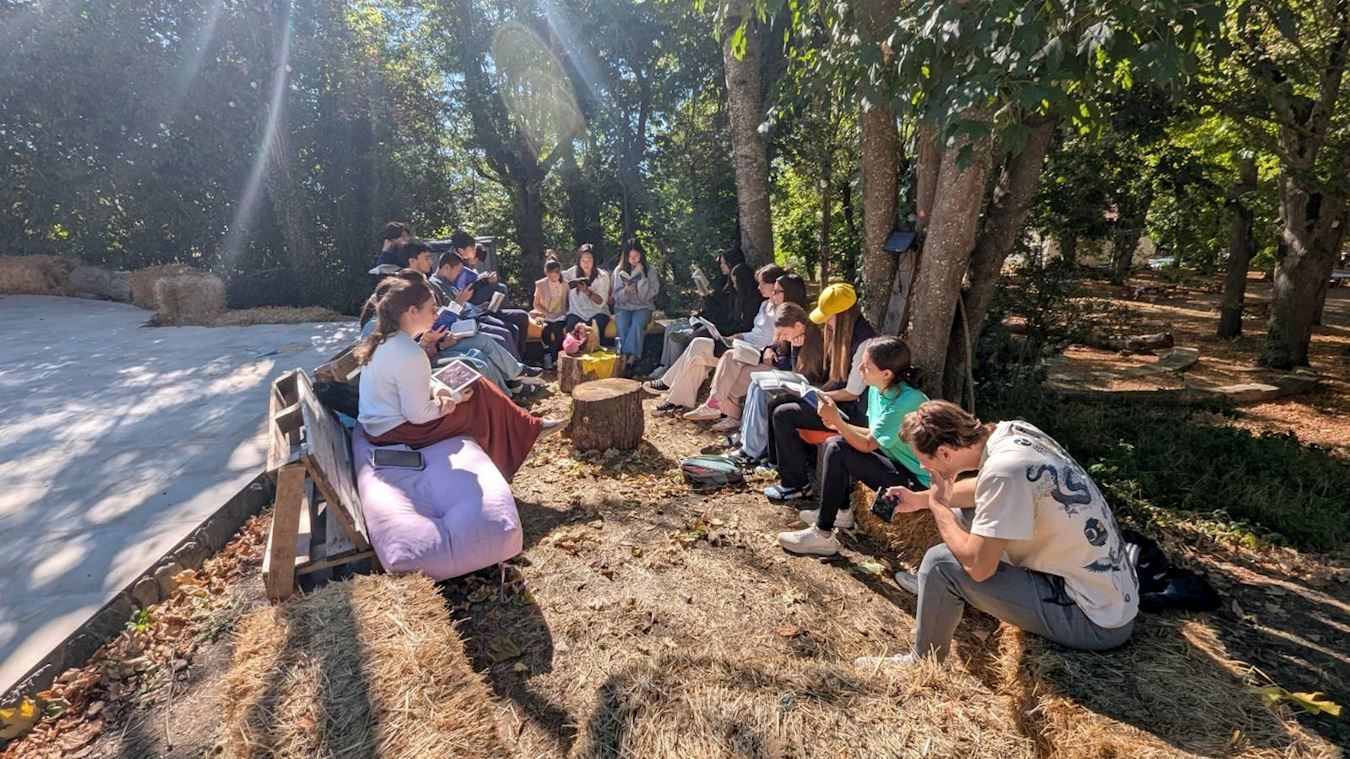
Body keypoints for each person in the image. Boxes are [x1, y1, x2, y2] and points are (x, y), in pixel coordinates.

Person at [854, 401, 1138, 669]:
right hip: (1110, 595)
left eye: (923, 460)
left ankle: (923, 661)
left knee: (940, 565)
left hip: (1093, 619)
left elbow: (979, 568)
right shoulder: (1012, 434)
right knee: (964, 514)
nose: (923, 468)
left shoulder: (1003, 473)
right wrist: (921, 499)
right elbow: (985, 488)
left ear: (944, 452)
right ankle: (946, 601)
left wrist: (939, 506)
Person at [354, 272, 565, 480]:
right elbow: (417, 415)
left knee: (472, 380)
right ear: (412, 312)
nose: (437, 313)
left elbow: (415, 383)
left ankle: (525, 430)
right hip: (396, 432)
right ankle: (514, 446)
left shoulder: (388, 340)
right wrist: (454, 398)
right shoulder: (408, 352)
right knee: (476, 403)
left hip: (383, 426)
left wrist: (440, 389)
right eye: (432, 309)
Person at [775, 337, 931, 555]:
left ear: (887, 373)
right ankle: (841, 512)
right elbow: (873, 434)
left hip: (919, 483)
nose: (859, 369)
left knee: (838, 449)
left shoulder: (907, 401)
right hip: (897, 463)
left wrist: (839, 422)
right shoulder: (877, 389)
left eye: (866, 366)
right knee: (834, 443)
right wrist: (839, 426)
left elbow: (867, 445)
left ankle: (822, 534)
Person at [762, 282, 877, 500]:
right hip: (837, 401)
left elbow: (852, 392)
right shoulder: (842, 335)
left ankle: (796, 485)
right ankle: (779, 464)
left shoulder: (864, 342)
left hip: (851, 412)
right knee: (778, 401)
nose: (826, 323)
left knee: (783, 414)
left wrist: (815, 395)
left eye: (829, 318)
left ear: (842, 316)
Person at [647, 263, 781, 415]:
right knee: (698, 345)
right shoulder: (764, 304)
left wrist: (767, 348)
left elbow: (777, 338)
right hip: (744, 343)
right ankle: (673, 394)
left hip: (754, 353)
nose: (759, 287)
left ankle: (672, 393)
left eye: (763, 283)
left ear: (775, 284)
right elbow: (756, 332)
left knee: (699, 356)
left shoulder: (782, 309)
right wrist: (740, 336)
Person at [686, 269, 813, 431]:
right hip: (771, 361)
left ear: (790, 292)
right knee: (730, 357)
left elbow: (793, 362)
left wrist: (770, 353)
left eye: (777, 291)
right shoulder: (782, 312)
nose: (773, 294)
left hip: (782, 369)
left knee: (734, 374)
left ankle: (728, 413)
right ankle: (717, 407)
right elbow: (775, 343)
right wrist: (769, 349)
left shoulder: (799, 320)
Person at [726, 303, 826, 465]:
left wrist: (796, 350)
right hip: (791, 381)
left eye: (785, 333)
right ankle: (746, 440)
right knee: (755, 385)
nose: (784, 337)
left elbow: (802, 375)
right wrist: (770, 349)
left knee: (762, 393)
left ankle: (752, 451)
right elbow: (776, 346)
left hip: (807, 389)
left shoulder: (814, 341)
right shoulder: (792, 335)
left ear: (798, 325)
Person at [653, 247, 745, 377]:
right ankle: (665, 366)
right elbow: (714, 304)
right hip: (708, 318)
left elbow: (720, 311)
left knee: (679, 334)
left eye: (724, 263)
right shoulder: (724, 281)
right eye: (720, 263)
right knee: (670, 328)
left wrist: (706, 296)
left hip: (717, 325)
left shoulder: (737, 288)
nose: (721, 266)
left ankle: (672, 370)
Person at [449, 230, 532, 357]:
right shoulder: (454, 267)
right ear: (461, 250)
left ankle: (520, 358)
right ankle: (515, 362)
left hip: (479, 307)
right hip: (472, 312)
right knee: (508, 329)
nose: (474, 252)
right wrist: (486, 282)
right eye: (472, 249)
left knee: (521, 316)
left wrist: (485, 281)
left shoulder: (465, 265)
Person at [427, 250, 521, 359]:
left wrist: (477, 304)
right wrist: (460, 301)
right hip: (466, 322)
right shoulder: (434, 285)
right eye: (457, 271)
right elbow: (445, 315)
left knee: (512, 328)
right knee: (504, 334)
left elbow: (464, 304)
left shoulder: (450, 283)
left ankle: (518, 364)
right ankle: (516, 367)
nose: (458, 275)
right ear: (447, 268)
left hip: (475, 313)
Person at [610, 238, 661, 372]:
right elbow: (616, 295)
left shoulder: (650, 270)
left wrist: (642, 278)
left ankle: (630, 357)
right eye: (630, 257)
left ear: (641, 255)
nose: (633, 260)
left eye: (636, 256)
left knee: (637, 325)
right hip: (623, 306)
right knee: (622, 326)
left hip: (643, 307)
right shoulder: (618, 271)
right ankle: (623, 357)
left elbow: (647, 295)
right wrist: (625, 292)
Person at [563, 243, 612, 341]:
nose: (586, 263)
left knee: (594, 328)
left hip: (598, 312)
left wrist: (587, 292)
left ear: (594, 261)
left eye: (589, 260)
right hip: (576, 312)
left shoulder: (602, 276)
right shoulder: (571, 272)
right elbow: (555, 277)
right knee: (572, 329)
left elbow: (601, 302)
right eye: (583, 260)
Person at [532, 258, 569, 369]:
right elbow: (536, 304)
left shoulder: (565, 284)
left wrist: (562, 312)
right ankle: (547, 355)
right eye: (551, 274)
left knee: (558, 330)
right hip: (546, 316)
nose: (553, 277)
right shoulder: (541, 284)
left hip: (561, 315)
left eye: (556, 273)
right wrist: (547, 313)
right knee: (545, 330)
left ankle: (556, 357)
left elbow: (569, 303)